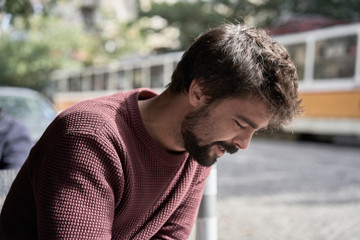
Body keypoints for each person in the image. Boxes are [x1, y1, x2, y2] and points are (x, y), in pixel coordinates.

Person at [0, 23, 302, 239]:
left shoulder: (198, 149)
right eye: (240, 124)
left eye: (255, 131)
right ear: (199, 92)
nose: (244, 144)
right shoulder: (90, 137)